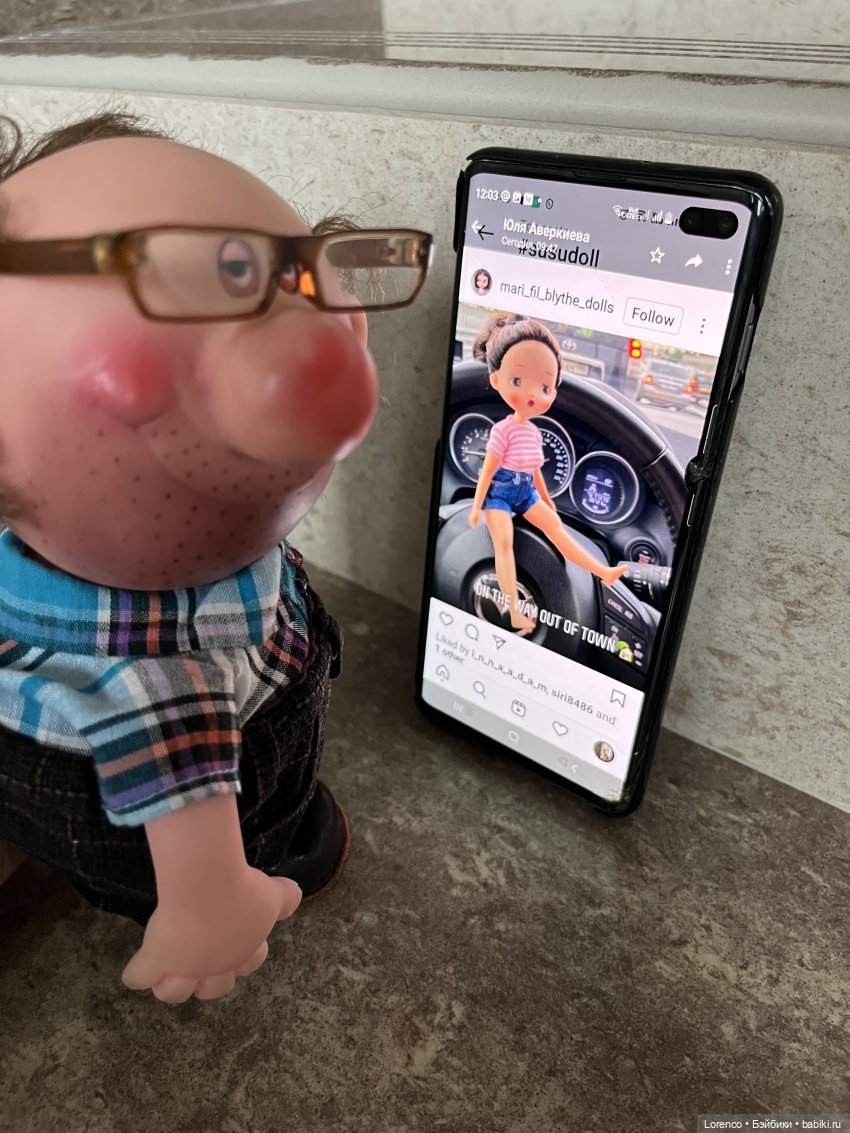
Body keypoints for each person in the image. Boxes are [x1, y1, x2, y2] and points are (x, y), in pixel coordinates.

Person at [0, 111, 432, 1002]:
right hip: (168, 849)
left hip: (36, 757)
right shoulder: (161, 679)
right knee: (275, 823)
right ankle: (289, 844)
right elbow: (201, 859)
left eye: (287, 274)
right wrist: (213, 910)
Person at [469, 313, 628, 633]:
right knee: (503, 544)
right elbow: (488, 470)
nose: (532, 394)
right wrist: (476, 506)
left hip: (526, 491)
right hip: (499, 493)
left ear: (553, 392)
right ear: (497, 380)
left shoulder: (531, 432)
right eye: (517, 381)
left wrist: (547, 500)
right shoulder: (502, 430)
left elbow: (535, 469)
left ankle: (603, 572)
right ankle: (514, 612)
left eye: (544, 386)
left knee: (556, 529)